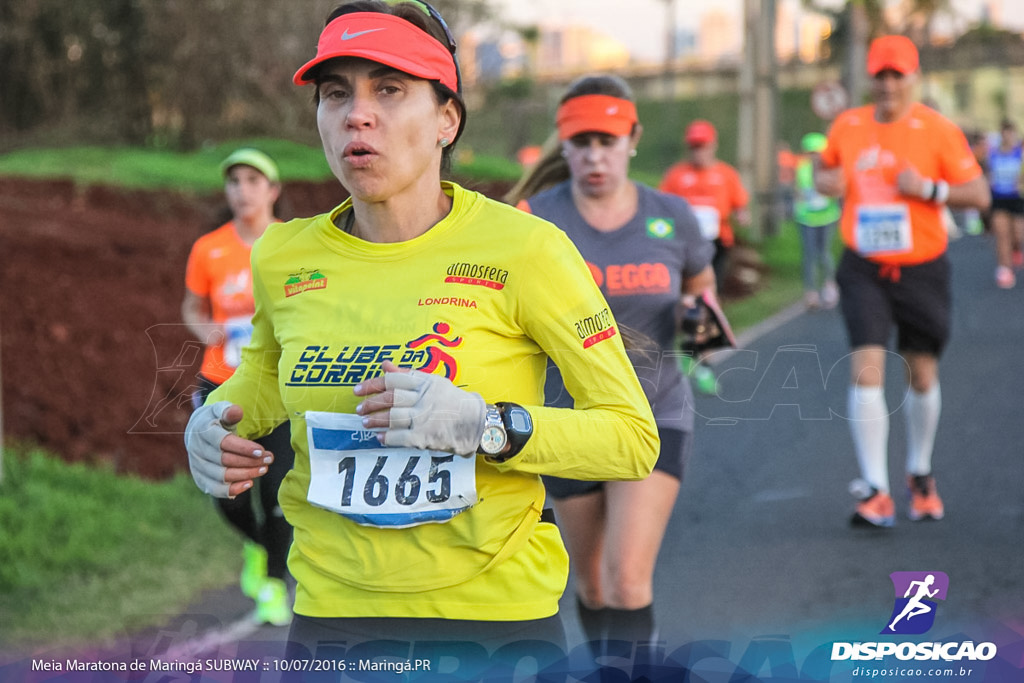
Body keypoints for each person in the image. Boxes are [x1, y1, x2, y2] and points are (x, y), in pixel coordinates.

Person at [182, 0, 659, 660]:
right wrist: (210, 422)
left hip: (493, 625)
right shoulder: (284, 256)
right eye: (335, 92)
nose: (357, 113)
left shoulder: (527, 251)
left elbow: (631, 438)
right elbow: (265, 377)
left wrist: (484, 424)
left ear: (446, 119)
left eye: (390, 89)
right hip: (330, 621)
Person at [505, 74, 715, 653]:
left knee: (626, 581)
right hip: (564, 421)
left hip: (654, 413)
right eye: (581, 143)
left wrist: (704, 325)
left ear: (633, 138)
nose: (594, 156)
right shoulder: (531, 221)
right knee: (593, 584)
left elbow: (702, 286)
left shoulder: (672, 216)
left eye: (608, 141)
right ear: (563, 145)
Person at [815, 35, 990, 528]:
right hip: (864, 265)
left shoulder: (937, 130)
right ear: (870, 79)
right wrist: (825, 180)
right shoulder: (848, 126)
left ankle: (920, 472)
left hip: (921, 267)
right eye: (880, 75)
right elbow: (822, 168)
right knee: (866, 369)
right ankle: (876, 489)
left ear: (913, 78)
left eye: (897, 74)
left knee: (922, 375)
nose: (888, 84)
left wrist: (929, 189)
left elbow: (977, 194)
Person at [182, 147, 295, 626]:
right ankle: (256, 547)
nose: (242, 190)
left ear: (272, 190)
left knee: (276, 497)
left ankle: (272, 584)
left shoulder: (293, 244)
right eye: (234, 181)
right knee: (226, 494)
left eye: (253, 180)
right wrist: (204, 328)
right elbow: (192, 306)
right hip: (221, 384)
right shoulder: (209, 248)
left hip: (279, 388)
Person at [659, 120, 749, 394]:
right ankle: (692, 356)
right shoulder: (677, 176)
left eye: (703, 146)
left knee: (709, 303)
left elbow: (742, 208)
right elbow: (660, 209)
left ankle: (699, 359)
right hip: (682, 249)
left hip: (716, 245)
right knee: (686, 301)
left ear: (713, 146)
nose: (698, 152)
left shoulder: (726, 175)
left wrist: (740, 216)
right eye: (694, 147)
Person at [794, 132, 840, 309]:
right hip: (806, 218)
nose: (814, 156)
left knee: (824, 253)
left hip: (827, 217)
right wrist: (804, 198)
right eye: (810, 152)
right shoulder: (802, 168)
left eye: (817, 152)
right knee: (809, 255)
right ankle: (811, 291)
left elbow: (837, 190)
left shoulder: (830, 167)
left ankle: (829, 284)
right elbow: (797, 190)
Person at [987, 118, 1024, 288]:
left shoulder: (1020, 153)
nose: (1008, 136)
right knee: (1002, 234)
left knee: (1017, 234)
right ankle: (1004, 269)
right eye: (1005, 133)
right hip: (999, 198)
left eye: (1011, 133)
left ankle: (1016, 249)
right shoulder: (993, 153)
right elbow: (987, 174)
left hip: (1016, 198)